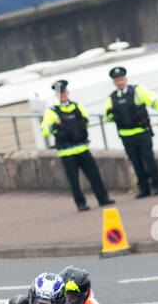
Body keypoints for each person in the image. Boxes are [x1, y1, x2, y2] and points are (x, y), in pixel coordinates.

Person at [42, 80, 114, 212]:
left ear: (67, 92)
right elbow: (45, 131)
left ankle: (103, 198)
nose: (62, 95)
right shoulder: (51, 112)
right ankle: (80, 203)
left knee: (94, 175)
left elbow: (86, 120)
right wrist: (54, 125)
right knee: (74, 180)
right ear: (56, 95)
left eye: (64, 92)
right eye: (59, 93)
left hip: (82, 147)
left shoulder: (77, 106)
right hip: (66, 152)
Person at [103, 66, 158, 198]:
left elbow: (154, 101)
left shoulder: (137, 91)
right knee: (136, 163)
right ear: (114, 82)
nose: (119, 82)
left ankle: (157, 185)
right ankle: (144, 188)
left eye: (121, 79)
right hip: (126, 135)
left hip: (142, 132)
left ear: (125, 79)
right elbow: (107, 118)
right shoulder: (111, 98)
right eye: (116, 80)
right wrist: (110, 113)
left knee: (149, 160)